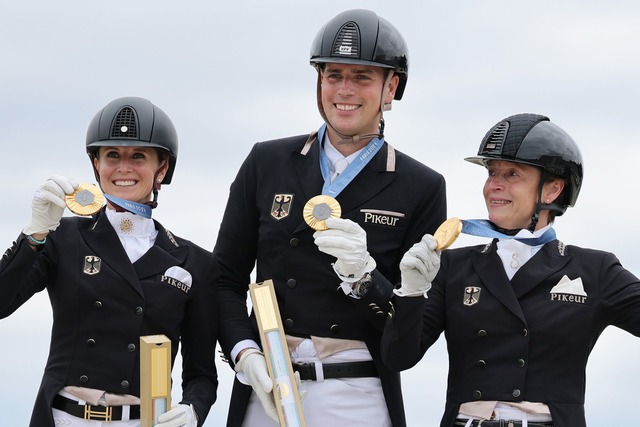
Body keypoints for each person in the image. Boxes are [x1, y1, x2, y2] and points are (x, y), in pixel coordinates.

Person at [214, 8, 446, 427]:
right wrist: (243, 352)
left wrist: (365, 278)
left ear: (390, 86)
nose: (344, 89)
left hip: (358, 391)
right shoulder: (266, 162)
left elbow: (405, 346)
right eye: (333, 74)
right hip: (268, 386)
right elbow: (225, 279)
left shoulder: (422, 186)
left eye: (362, 77)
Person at [381, 112, 640, 427]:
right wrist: (411, 292)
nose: (493, 187)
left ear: (552, 190)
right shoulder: (452, 265)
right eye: (492, 174)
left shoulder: (594, 269)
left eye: (512, 175)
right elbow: (399, 358)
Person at [0, 97, 219, 427]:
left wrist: (193, 409)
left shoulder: (194, 262)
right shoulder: (63, 237)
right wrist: (33, 235)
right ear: (96, 164)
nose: (124, 168)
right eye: (112, 155)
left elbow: (201, 373)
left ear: (162, 168)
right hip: (64, 417)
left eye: (138, 157)